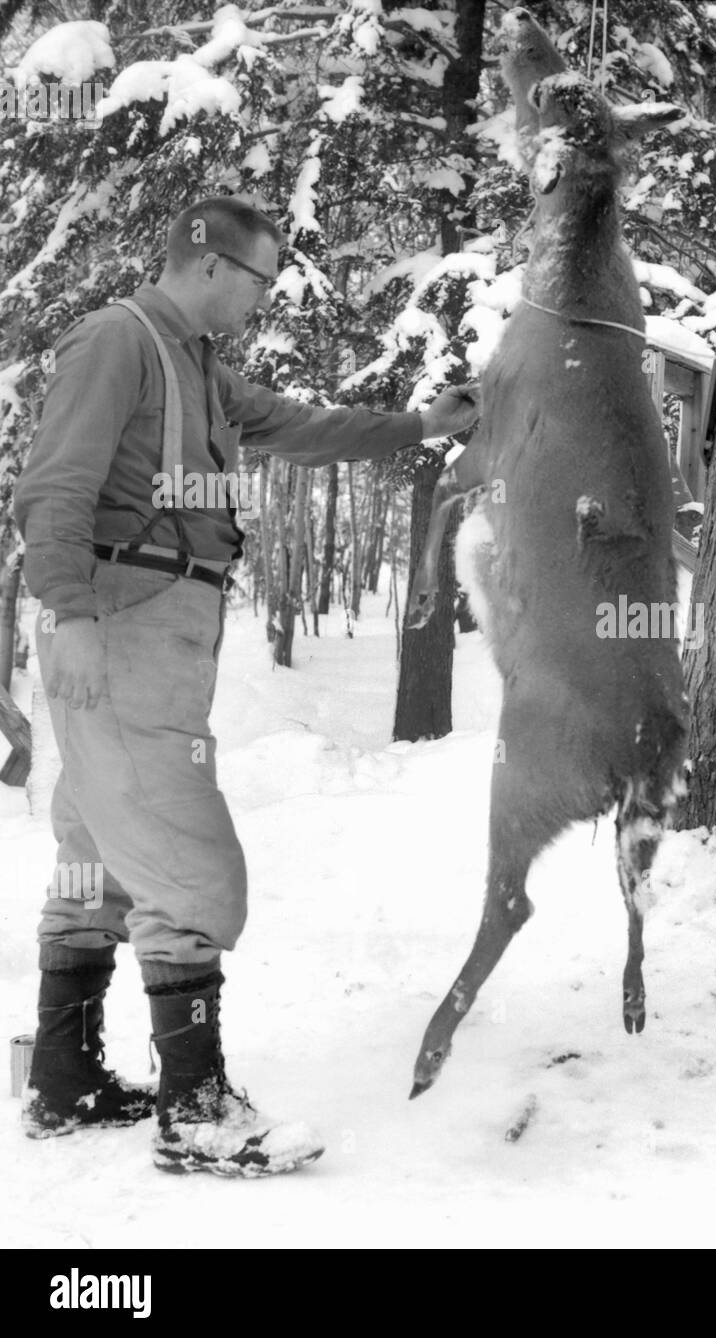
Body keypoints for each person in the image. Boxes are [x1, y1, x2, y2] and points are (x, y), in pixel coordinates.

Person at [14, 196, 479, 1173]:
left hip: (153, 621)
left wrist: (419, 424)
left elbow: (304, 427)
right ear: (212, 264)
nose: (266, 300)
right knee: (188, 860)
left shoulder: (202, 371)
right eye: (262, 280)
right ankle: (196, 1112)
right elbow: (54, 488)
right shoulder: (119, 342)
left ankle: (65, 1080)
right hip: (123, 619)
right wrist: (70, 615)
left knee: (95, 844)